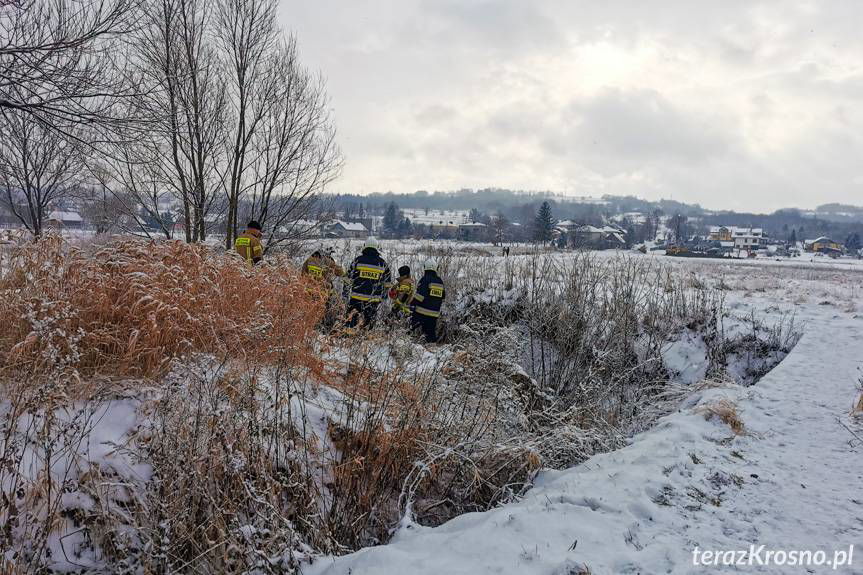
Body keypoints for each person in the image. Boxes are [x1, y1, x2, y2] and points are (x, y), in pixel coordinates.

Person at [346, 237, 391, 328]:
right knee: (369, 321)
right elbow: (387, 283)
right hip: (373, 299)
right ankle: (365, 337)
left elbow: (348, 278)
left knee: (351, 319)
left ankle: (349, 336)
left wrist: (345, 293)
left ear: (365, 246)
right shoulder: (382, 263)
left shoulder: (358, 260)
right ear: (376, 248)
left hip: (356, 297)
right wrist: (384, 297)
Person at [411, 258, 445, 343]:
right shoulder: (439, 281)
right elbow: (443, 296)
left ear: (425, 268)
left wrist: (412, 304)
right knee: (430, 333)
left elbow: (420, 296)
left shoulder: (425, 279)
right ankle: (432, 348)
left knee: (411, 328)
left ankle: (409, 343)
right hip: (434, 313)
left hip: (422, 312)